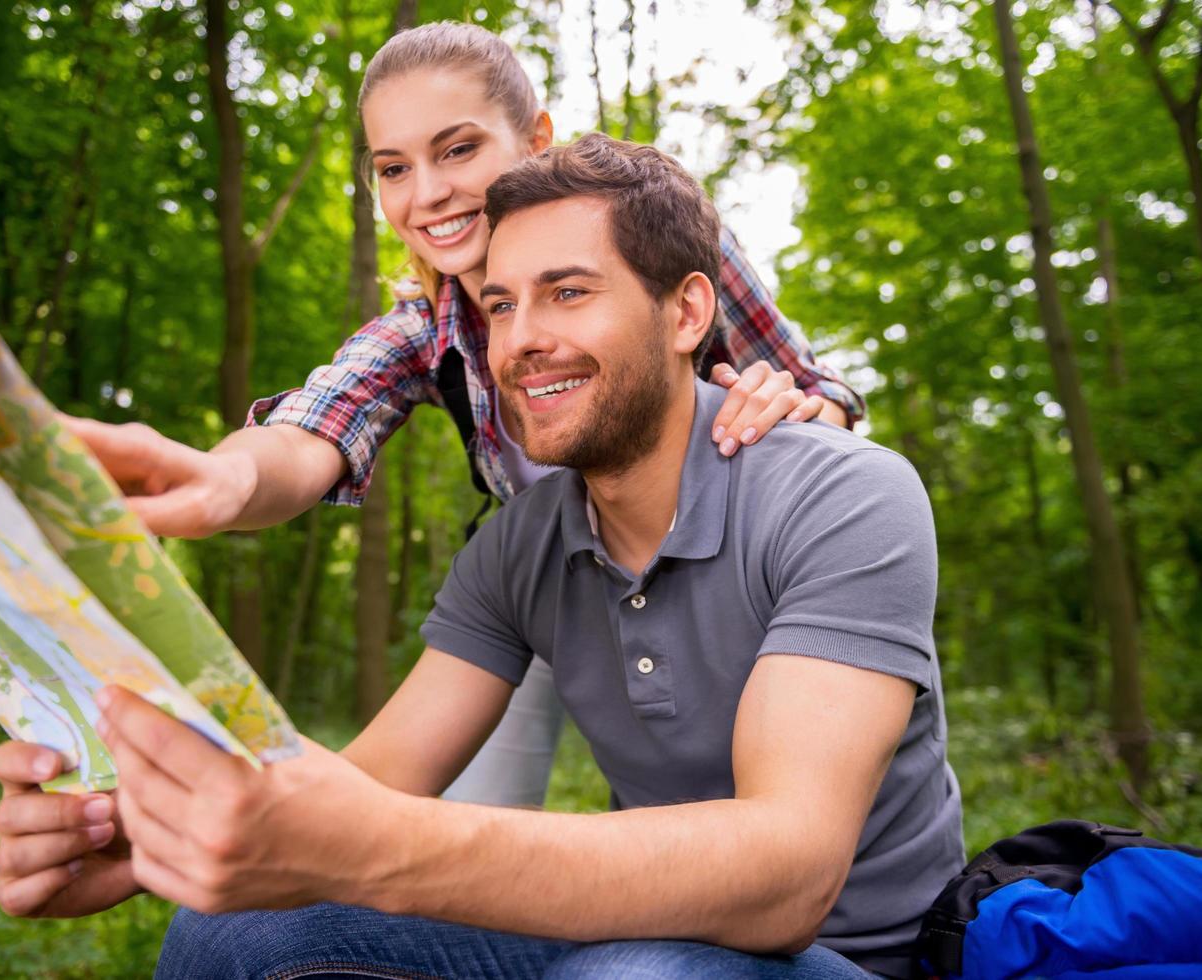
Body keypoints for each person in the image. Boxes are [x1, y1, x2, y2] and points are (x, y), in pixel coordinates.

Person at [0, 133, 963, 979]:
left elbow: (784, 877)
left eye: (567, 293)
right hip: (635, 934)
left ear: (684, 314)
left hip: (850, 961)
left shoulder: (846, 495)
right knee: (232, 931)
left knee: (639, 975)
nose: (522, 342)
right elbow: (367, 786)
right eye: (499, 306)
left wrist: (377, 847)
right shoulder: (518, 550)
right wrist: (148, 819)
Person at [48, 20, 866, 812]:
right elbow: (314, 427)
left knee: (713, 803)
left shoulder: (654, 247)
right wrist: (219, 480)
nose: (428, 193)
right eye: (392, 168)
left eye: (458, 148)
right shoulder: (421, 332)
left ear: (534, 137)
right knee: (469, 841)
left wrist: (798, 409)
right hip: (554, 584)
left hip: (721, 573)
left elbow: (819, 397)